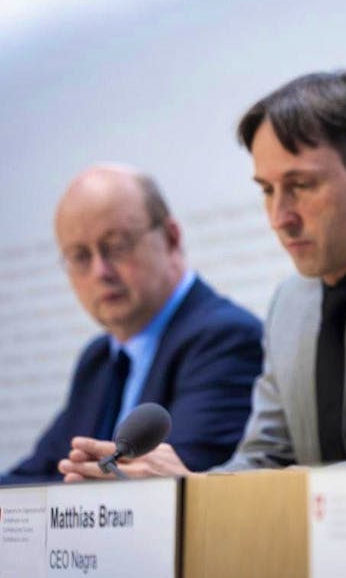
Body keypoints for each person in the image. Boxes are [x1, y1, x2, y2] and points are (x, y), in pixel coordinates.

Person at [59, 71, 346, 481]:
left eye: (300, 185)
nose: (279, 217)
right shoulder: (291, 302)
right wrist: (189, 486)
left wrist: (207, 491)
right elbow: (262, 457)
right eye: (267, 190)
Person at [1, 165, 263, 484]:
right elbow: (40, 472)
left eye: (116, 246)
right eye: (80, 256)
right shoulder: (98, 359)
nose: (100, 272)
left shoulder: (225, 339)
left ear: (171, 238)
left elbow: (171, 479)